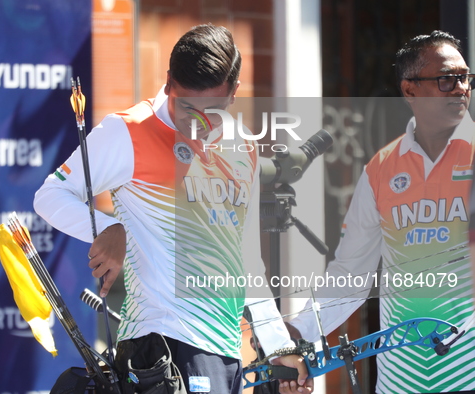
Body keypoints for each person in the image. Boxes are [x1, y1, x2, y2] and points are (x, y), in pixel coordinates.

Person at [34, 24, 313, 394]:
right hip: (159, 347)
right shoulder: (128, 131)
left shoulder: (243, 148)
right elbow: (50, 195)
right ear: (168, 83)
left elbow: (246, 260)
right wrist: (108, 228)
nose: (197, 122)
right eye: (187, 107)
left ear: (234, 94)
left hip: (224, 350)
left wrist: (278, 346)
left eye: (211, 111)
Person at [288, 31, 475, 393]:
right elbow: (351, 272)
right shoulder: (381, 168)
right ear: (409, 90)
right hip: (399, 381)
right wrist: (296, 332)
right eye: (447, 78)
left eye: (465, 78)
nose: (461, 88)